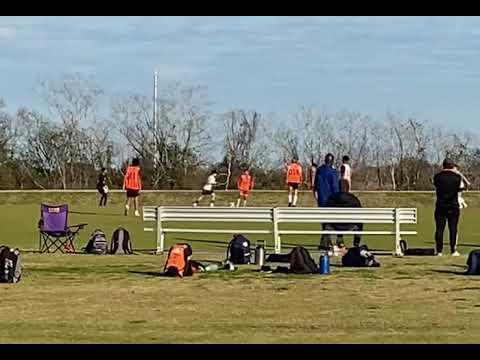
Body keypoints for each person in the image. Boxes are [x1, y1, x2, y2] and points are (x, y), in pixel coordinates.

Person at [433, 158, 462, 256]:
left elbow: (437, 184)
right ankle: (453, 250)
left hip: (441, 205)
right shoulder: (457, 178)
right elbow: (460, 188)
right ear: (452, 166)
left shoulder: (437, 177)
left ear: (443, 165)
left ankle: (439, 250)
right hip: (453, 205)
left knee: (439, 229)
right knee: (453, 228)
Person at [320, 189, 363, 253]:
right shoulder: (353, 199)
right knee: (359, 223)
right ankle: (356, 244)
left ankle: (324, 243)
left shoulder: (331, 198)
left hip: (333, 225)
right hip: (350, 225)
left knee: (326, 223)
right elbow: (359, 212)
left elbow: (326, 212)